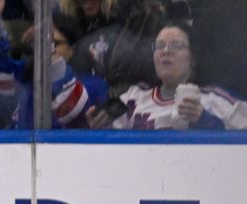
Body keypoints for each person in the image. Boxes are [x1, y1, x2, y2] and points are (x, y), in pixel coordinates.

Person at [0, 0, 108, 128]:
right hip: (14, 150)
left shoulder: (94, 85)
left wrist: (50, 52)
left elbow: (69, 103)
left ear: (72, 49)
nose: (42, 49)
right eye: (37, 42)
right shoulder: (27, 76)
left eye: (53, 43)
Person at [90, 22, 247, 129]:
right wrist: (97, 124)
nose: (166, 51)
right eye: (160, 46)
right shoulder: (133, 97)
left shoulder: (214, 99)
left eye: (176, 45)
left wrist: (205, 120)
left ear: (192, 58)